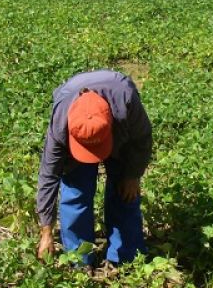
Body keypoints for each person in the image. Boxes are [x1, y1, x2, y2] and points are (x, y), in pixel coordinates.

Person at [36, 70, 152, 267]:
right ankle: (79, 260)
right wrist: (46, 230)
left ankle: (124, 259)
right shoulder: (61, 125)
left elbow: (142, 139)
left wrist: (133, 175)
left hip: (120, 134)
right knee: (75, 191)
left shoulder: (126, 101)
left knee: (125, 192)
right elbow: (48, 176)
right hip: (75, 125)